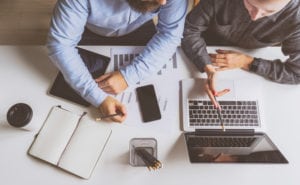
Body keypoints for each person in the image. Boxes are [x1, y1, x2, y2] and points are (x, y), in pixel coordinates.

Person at [47, 0, 187, 123]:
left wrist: (129, 76)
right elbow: (61, 46)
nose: (163, 2)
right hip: (89, 30)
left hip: (139, 27)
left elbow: (170, 35)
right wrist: (98, 98)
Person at [182, 0, 300, 108]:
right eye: (250, 4)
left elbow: (297, 74)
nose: (255, 17)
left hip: (249, 71)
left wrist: (248, 62)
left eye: (269, 11)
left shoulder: (297, 18)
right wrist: (206, 66)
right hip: (203, 50)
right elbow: (188, 30)